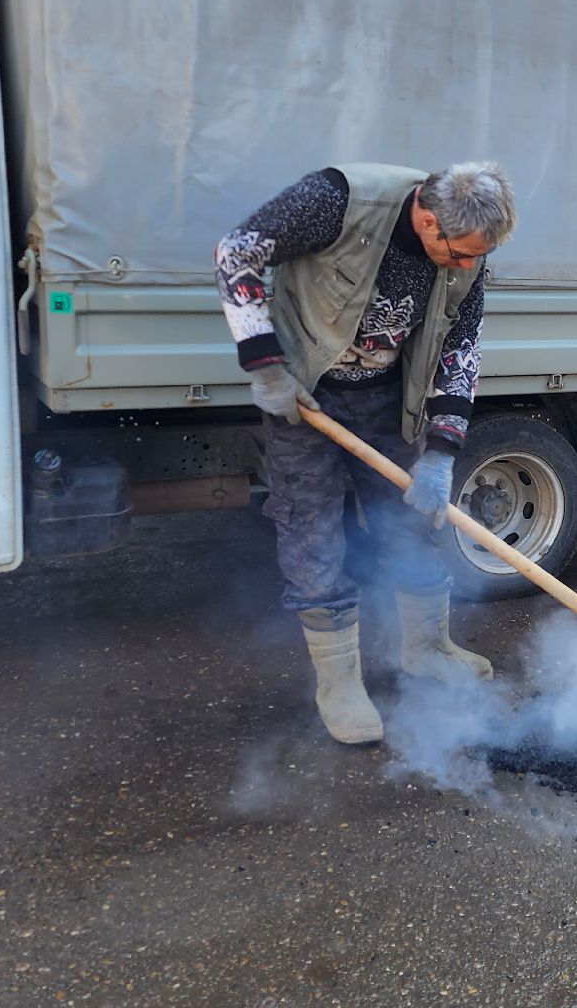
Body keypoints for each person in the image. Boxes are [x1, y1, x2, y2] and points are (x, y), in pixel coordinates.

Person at [215, 161, 516, 744]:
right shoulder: (338, 201)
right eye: (457, 254)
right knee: (313, 530)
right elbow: (236, 252)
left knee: (414, 519)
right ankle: (340, 683)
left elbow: (462, 347)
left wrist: (440, 453)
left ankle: (427, 648)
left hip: (386, 400)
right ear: (428, 220)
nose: (466, 267)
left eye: (477, 258)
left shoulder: (468, 253)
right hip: (305, 399)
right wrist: (264, 364)